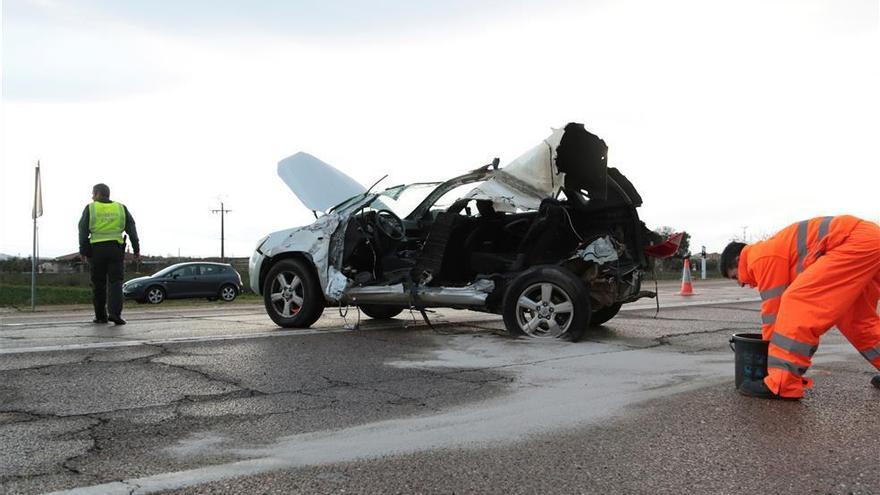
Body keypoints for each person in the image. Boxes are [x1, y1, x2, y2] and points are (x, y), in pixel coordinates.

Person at [720, 215, 880, 399]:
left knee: (798, 302)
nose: (740, 283)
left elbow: (774, 313)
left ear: (740, 259)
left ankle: (782, 383)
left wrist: (769, 358)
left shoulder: (758, 257)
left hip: (854, 242)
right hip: (867, 240)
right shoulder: (773, 250)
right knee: (857, 322)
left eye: (735, 277)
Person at [78, 183, 140, 325]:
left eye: (93, 194)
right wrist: (136, 249)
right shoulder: (120, 208)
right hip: (115, 250)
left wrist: (83, 251)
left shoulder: (90, 208)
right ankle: (115, 314)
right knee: (116, 282)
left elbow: (82, 231)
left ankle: (100, 316)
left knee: (98, 284)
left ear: (98, 193)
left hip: (96, 251)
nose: (92, 197)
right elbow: (132, 228)